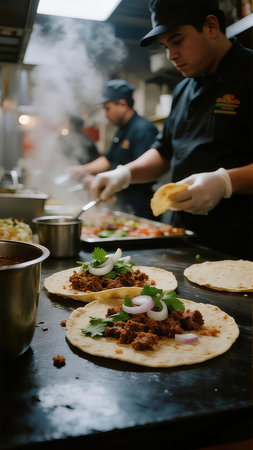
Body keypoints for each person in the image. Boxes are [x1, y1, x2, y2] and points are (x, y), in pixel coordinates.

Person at [90, 0, 253, 259]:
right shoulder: (183, 89)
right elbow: (163, 152)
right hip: (183, 236)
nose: (171, 55)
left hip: (239, 243)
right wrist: (124, 173)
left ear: (211, 25)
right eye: (165, 46)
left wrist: (225, 182)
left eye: (177, 41)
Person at [69, 79, 159, 219]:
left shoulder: (143, 130)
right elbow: (108, 159)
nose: (105, 114)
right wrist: (84, 169)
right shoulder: (122, 130)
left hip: (137, 205)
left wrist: (100, 181)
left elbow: (145, 172)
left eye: (107, 108)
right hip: (120, 202)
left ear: (122, 104)